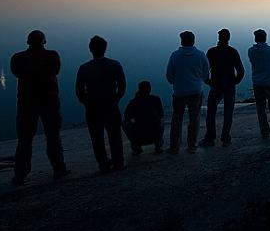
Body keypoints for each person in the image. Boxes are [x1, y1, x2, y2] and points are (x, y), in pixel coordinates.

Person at [9, 30, 69, 185]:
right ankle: (58, 168)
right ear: (44, 41)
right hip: (49, 101)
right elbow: (56, 71)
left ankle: (20, 174)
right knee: (53, 137)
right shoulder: (52, 55)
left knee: (24, 140)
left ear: (28, 42)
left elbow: (16, 73)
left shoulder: (18, 58)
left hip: (26, 102)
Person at [76, 35, 127, 172]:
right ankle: (118, 162)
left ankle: (103, 164)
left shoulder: (84, 68)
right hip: (110, 105)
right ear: (105, 48)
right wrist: (116, 99)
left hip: (93, 108)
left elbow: (79, 91)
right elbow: (122, 86)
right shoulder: (114, 65)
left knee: (96, 138)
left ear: (90, 49)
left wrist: (86, 102)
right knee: (115, 135)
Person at [165, 31, 210, 153]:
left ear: (181, 41)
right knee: (194, 118)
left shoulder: (175, 56)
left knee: (177, 119)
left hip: (179, 92)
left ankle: (174, 147)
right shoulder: (200, 55)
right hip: (196, 91)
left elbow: (169, 76)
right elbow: (206, 74)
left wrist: (176, 82)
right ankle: (192, 146)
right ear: (193, 41)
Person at [200, 29, 245, 147]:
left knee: (211, 112)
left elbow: (204, 70)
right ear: (228, 38)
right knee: (228, 112)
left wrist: (208, 81)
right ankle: (225, 138)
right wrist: (235, 81)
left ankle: (210, 137)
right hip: (229, 85)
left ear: (219, 38)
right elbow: (241, 70)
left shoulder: (212, 51)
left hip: (215, 85)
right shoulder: (233, 51)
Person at [248, 29, 270, 139]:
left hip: (257, 82)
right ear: (265, 38)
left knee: (260, 108)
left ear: (255, 39)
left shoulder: (251, 51)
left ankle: (264, 131)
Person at [123, 81, 165, 156]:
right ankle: (158, 144)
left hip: (139, 135)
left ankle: (136, 147)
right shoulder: (156, 99)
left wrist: (134, 121)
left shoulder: (134, 102)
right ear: (150, 89)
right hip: (155, 133)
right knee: (161, 120)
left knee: (124, 123)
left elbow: (127, 115)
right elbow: (161, 114)